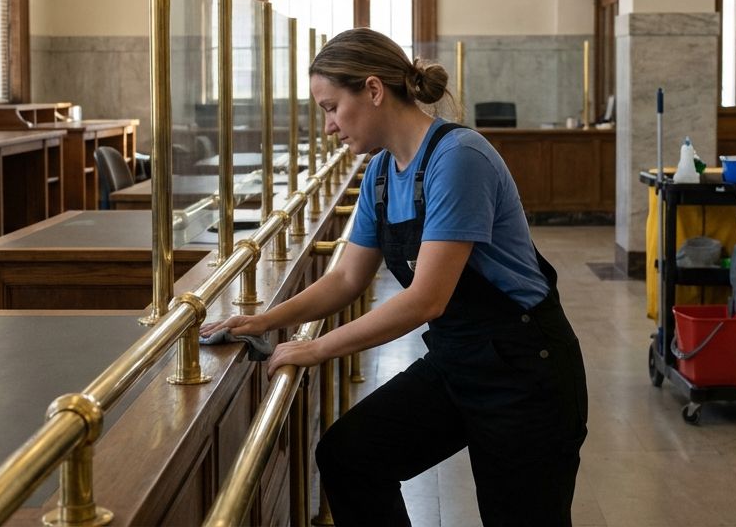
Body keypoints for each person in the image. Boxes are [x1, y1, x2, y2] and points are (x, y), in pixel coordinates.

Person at [201, 28, 588, 526]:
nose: (329, 127)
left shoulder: (458, 158)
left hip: (526, 372)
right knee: (349, 457)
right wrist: (264, 321)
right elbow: (345, 278)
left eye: (331, 107)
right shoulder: (382, 173)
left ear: (374, 90)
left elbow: (426, 299)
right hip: (459, 360)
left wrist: (314, 349)